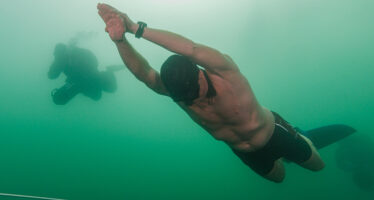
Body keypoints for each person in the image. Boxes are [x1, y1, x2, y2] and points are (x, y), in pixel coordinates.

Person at [97, 3, 325, 183]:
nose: (192, 99)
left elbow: (191, 48)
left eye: (194, 91)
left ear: (199, 73)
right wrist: (120, 40)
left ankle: (300, 134)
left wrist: (137, 28)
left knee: (317, 166)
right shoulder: (179, 91)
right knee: (279, 178)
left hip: (273, 133)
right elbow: (145, 74)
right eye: (184, 97)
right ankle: (282, 158)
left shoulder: (224, 72)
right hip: (244, 151)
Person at [48, 43, 121, 105]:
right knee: (97, 95)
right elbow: (51, 75)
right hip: (77, 81)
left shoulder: (75, 54)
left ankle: (109, 70)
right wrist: (57, 60)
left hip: (88, 77)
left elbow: (93, 61)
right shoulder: (61, 60)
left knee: (102, 93)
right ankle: (109, 71)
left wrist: (88, 73)